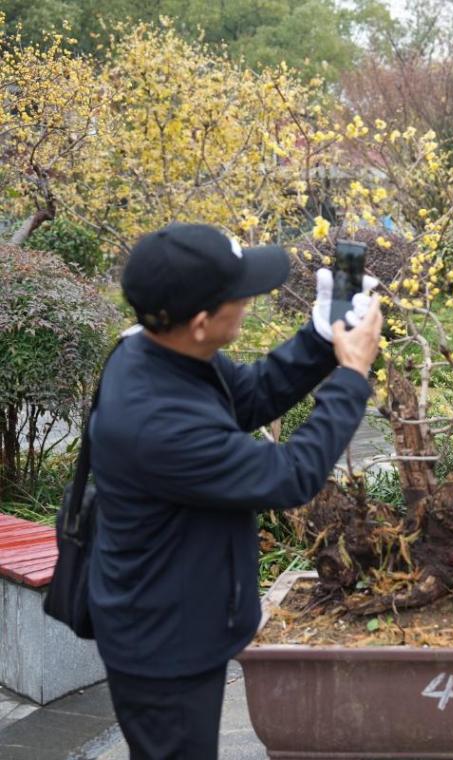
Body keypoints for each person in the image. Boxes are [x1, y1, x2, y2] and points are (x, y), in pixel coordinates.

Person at [88, 222, 382, 759]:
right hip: (163, 643)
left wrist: (318, 338)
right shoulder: (156, 422)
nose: (249, 300)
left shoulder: (160, 352)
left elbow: (244, 396)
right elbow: (288, 474)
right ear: (200, 322)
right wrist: (352, 375)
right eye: (240, 292)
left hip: (176, 610)